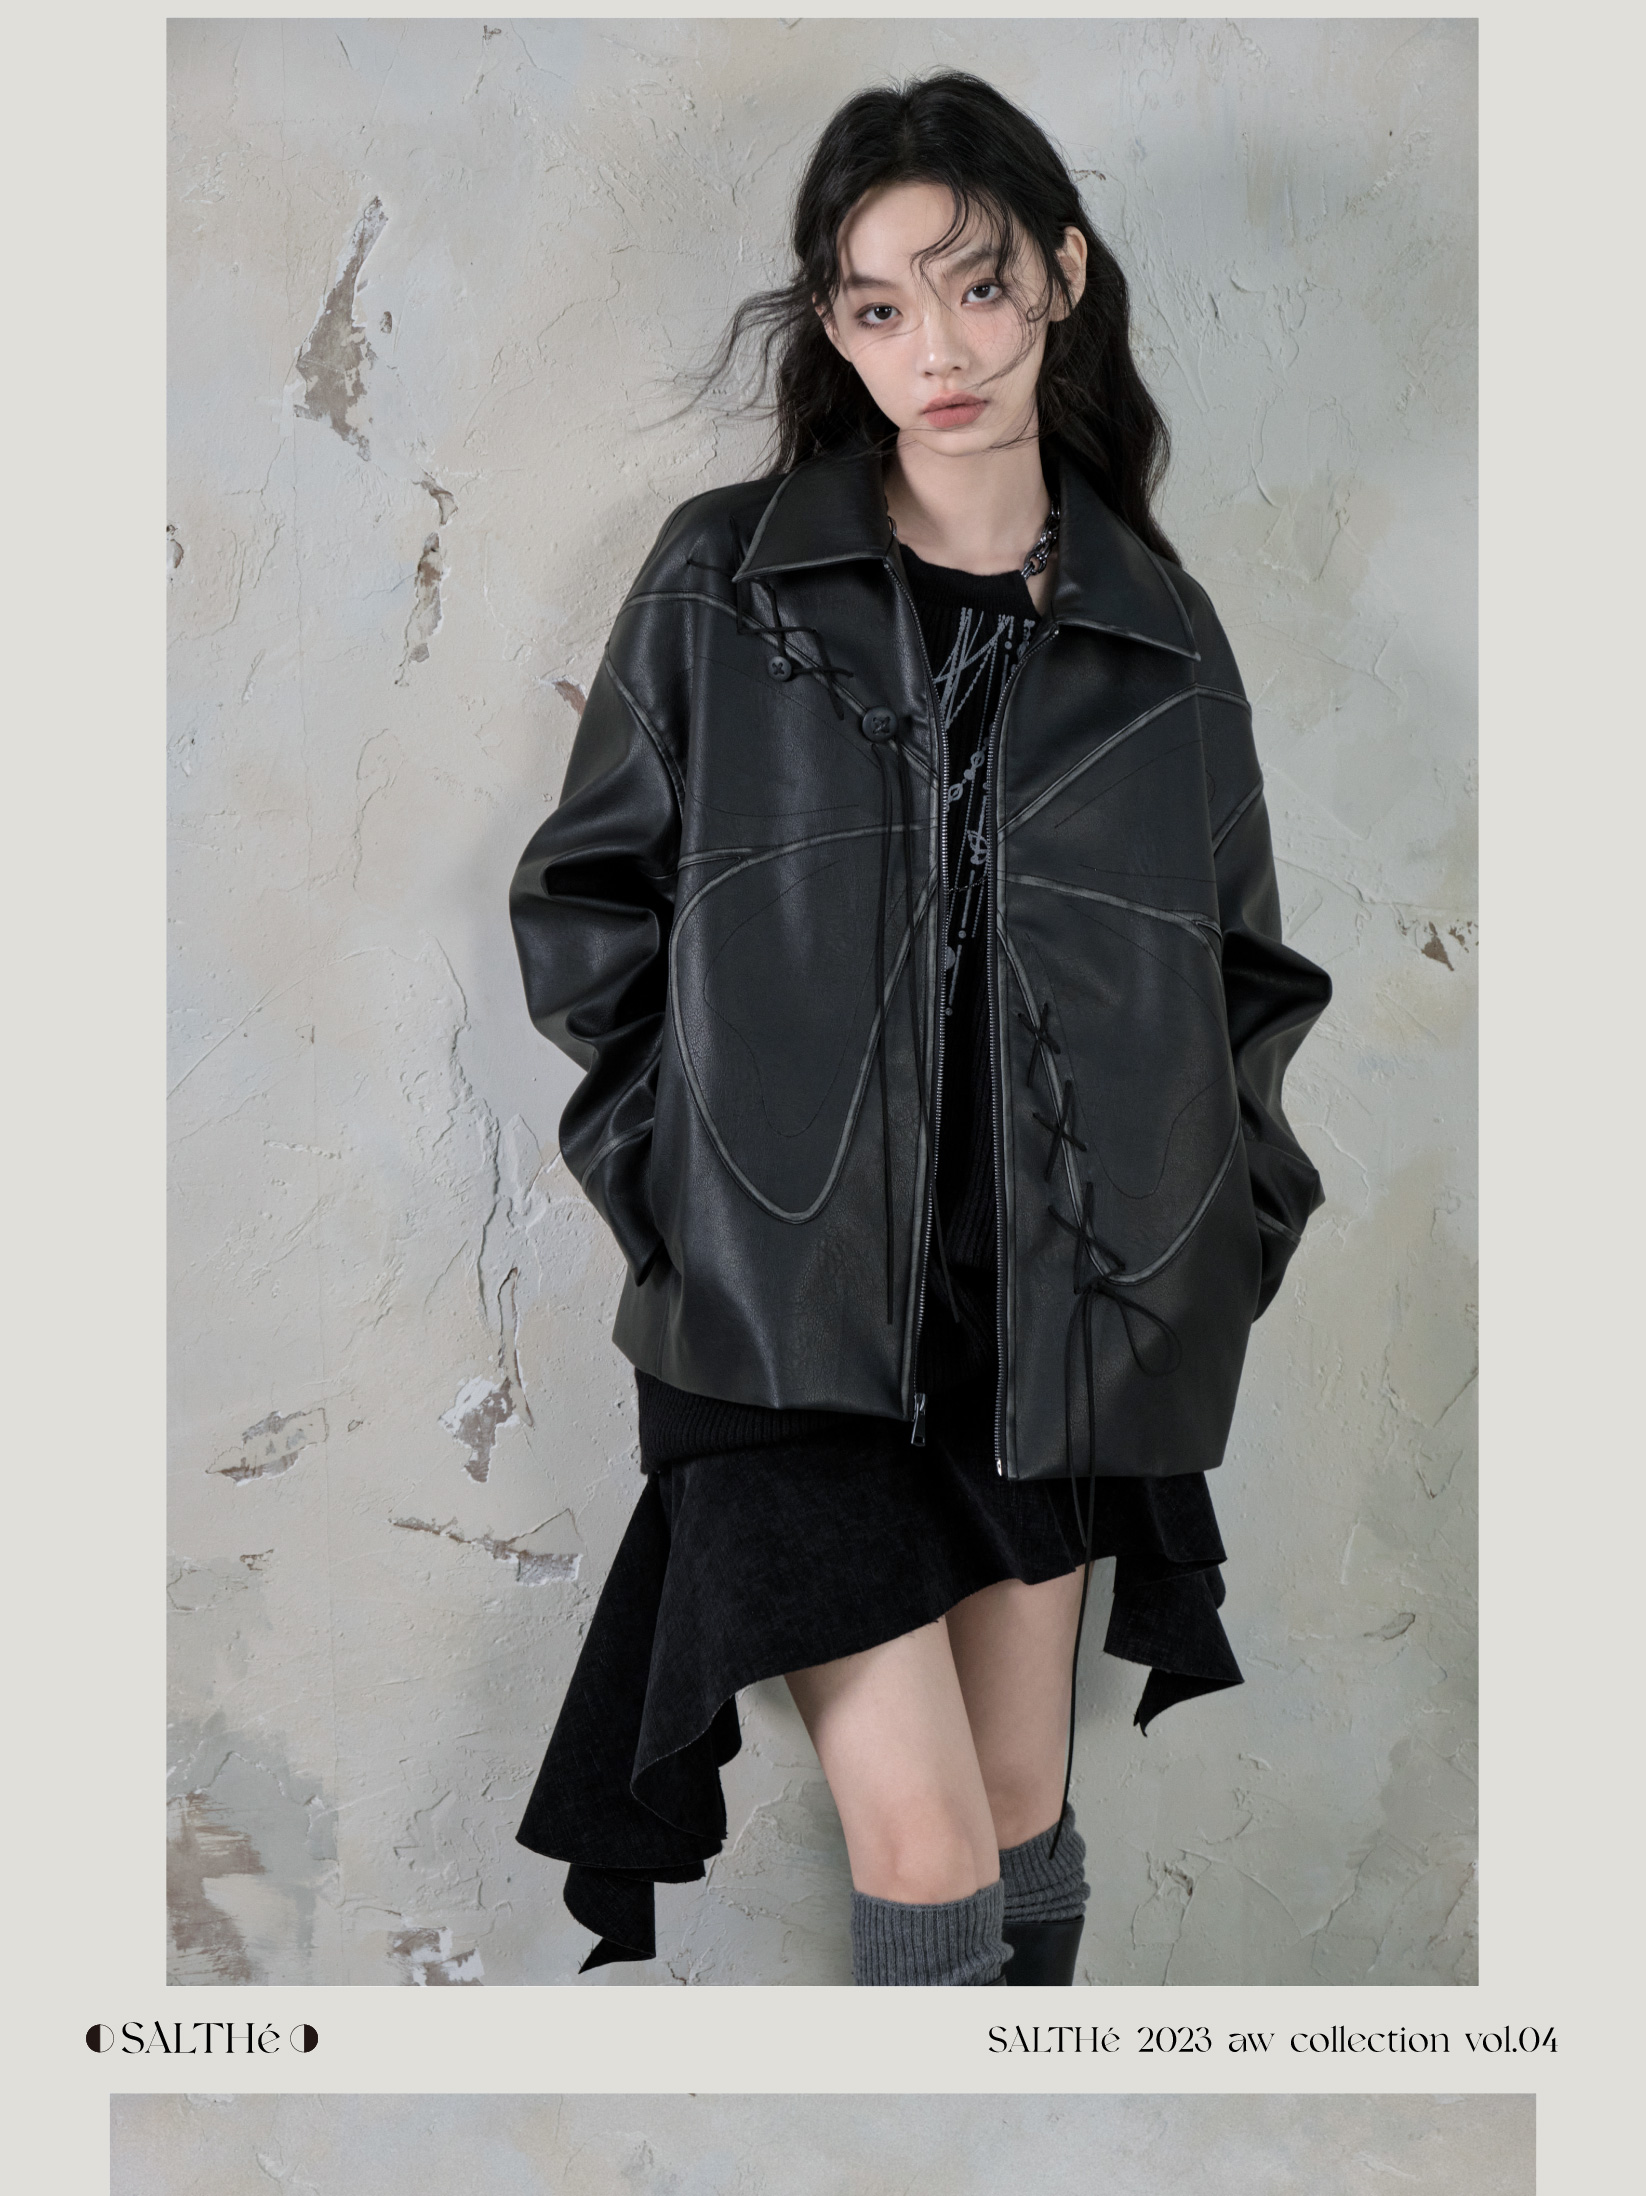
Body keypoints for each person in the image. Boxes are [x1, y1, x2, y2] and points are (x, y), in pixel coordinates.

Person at [508, 71, 1332, 1987]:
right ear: (833, 325)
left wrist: (1211, 1244)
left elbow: (1243, 980)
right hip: (775, 1320)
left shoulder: (1154, 628)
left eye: (974, 288)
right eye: (879, 309)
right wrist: (679, 1196)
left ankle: (1025, 2122)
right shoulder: (729, 577)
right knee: (930, 1837)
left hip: (1057, 1320)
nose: (935, 353)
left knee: (1025, 1812)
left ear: (1061, 275)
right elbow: (587, 908)